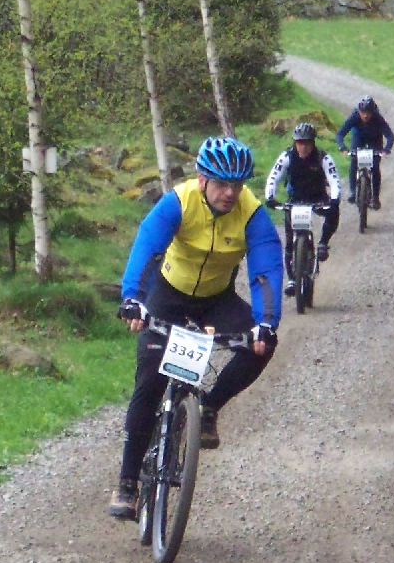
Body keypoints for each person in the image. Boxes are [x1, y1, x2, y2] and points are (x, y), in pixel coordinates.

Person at [109, 136, 283, 521]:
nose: (230, 193)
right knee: (150, 382)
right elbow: (148, 246)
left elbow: (266, 272)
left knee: (262, 346)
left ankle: (208, 407)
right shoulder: (179, 201)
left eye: (237, 184)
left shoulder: (251, 213)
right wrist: (133, 297)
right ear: (202, 180)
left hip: (216, 300)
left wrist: (267, 323)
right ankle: (126, 483)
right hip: (167, 295)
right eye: (221, 184)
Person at [264, 122, 341, 297]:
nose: (303, 147)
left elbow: (334, 179)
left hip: (317, 197)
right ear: (295, 143)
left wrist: (335, 199)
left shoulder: (323, 157)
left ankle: (323, 243)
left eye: (306, 143)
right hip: (296, 199)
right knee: (289, 242)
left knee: (334, 211)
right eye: (299, 143)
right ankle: (292, 279)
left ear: (313, 143)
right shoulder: (287, 156)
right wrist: (269, 196)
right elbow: (274, 176)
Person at [335, 95, 394, 210]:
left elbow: (390, 136)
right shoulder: (354, 116)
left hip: (375, 139)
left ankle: (376, 197)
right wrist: (342, 147)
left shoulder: (378, 118)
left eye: (368, 112)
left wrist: (386, 149)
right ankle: (353, 191)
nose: (365, 115)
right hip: (359, 138)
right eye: (363, 112)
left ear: (373, 112)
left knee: (375, 166)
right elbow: (340, 134)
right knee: (354, 160)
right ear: (359, 111)